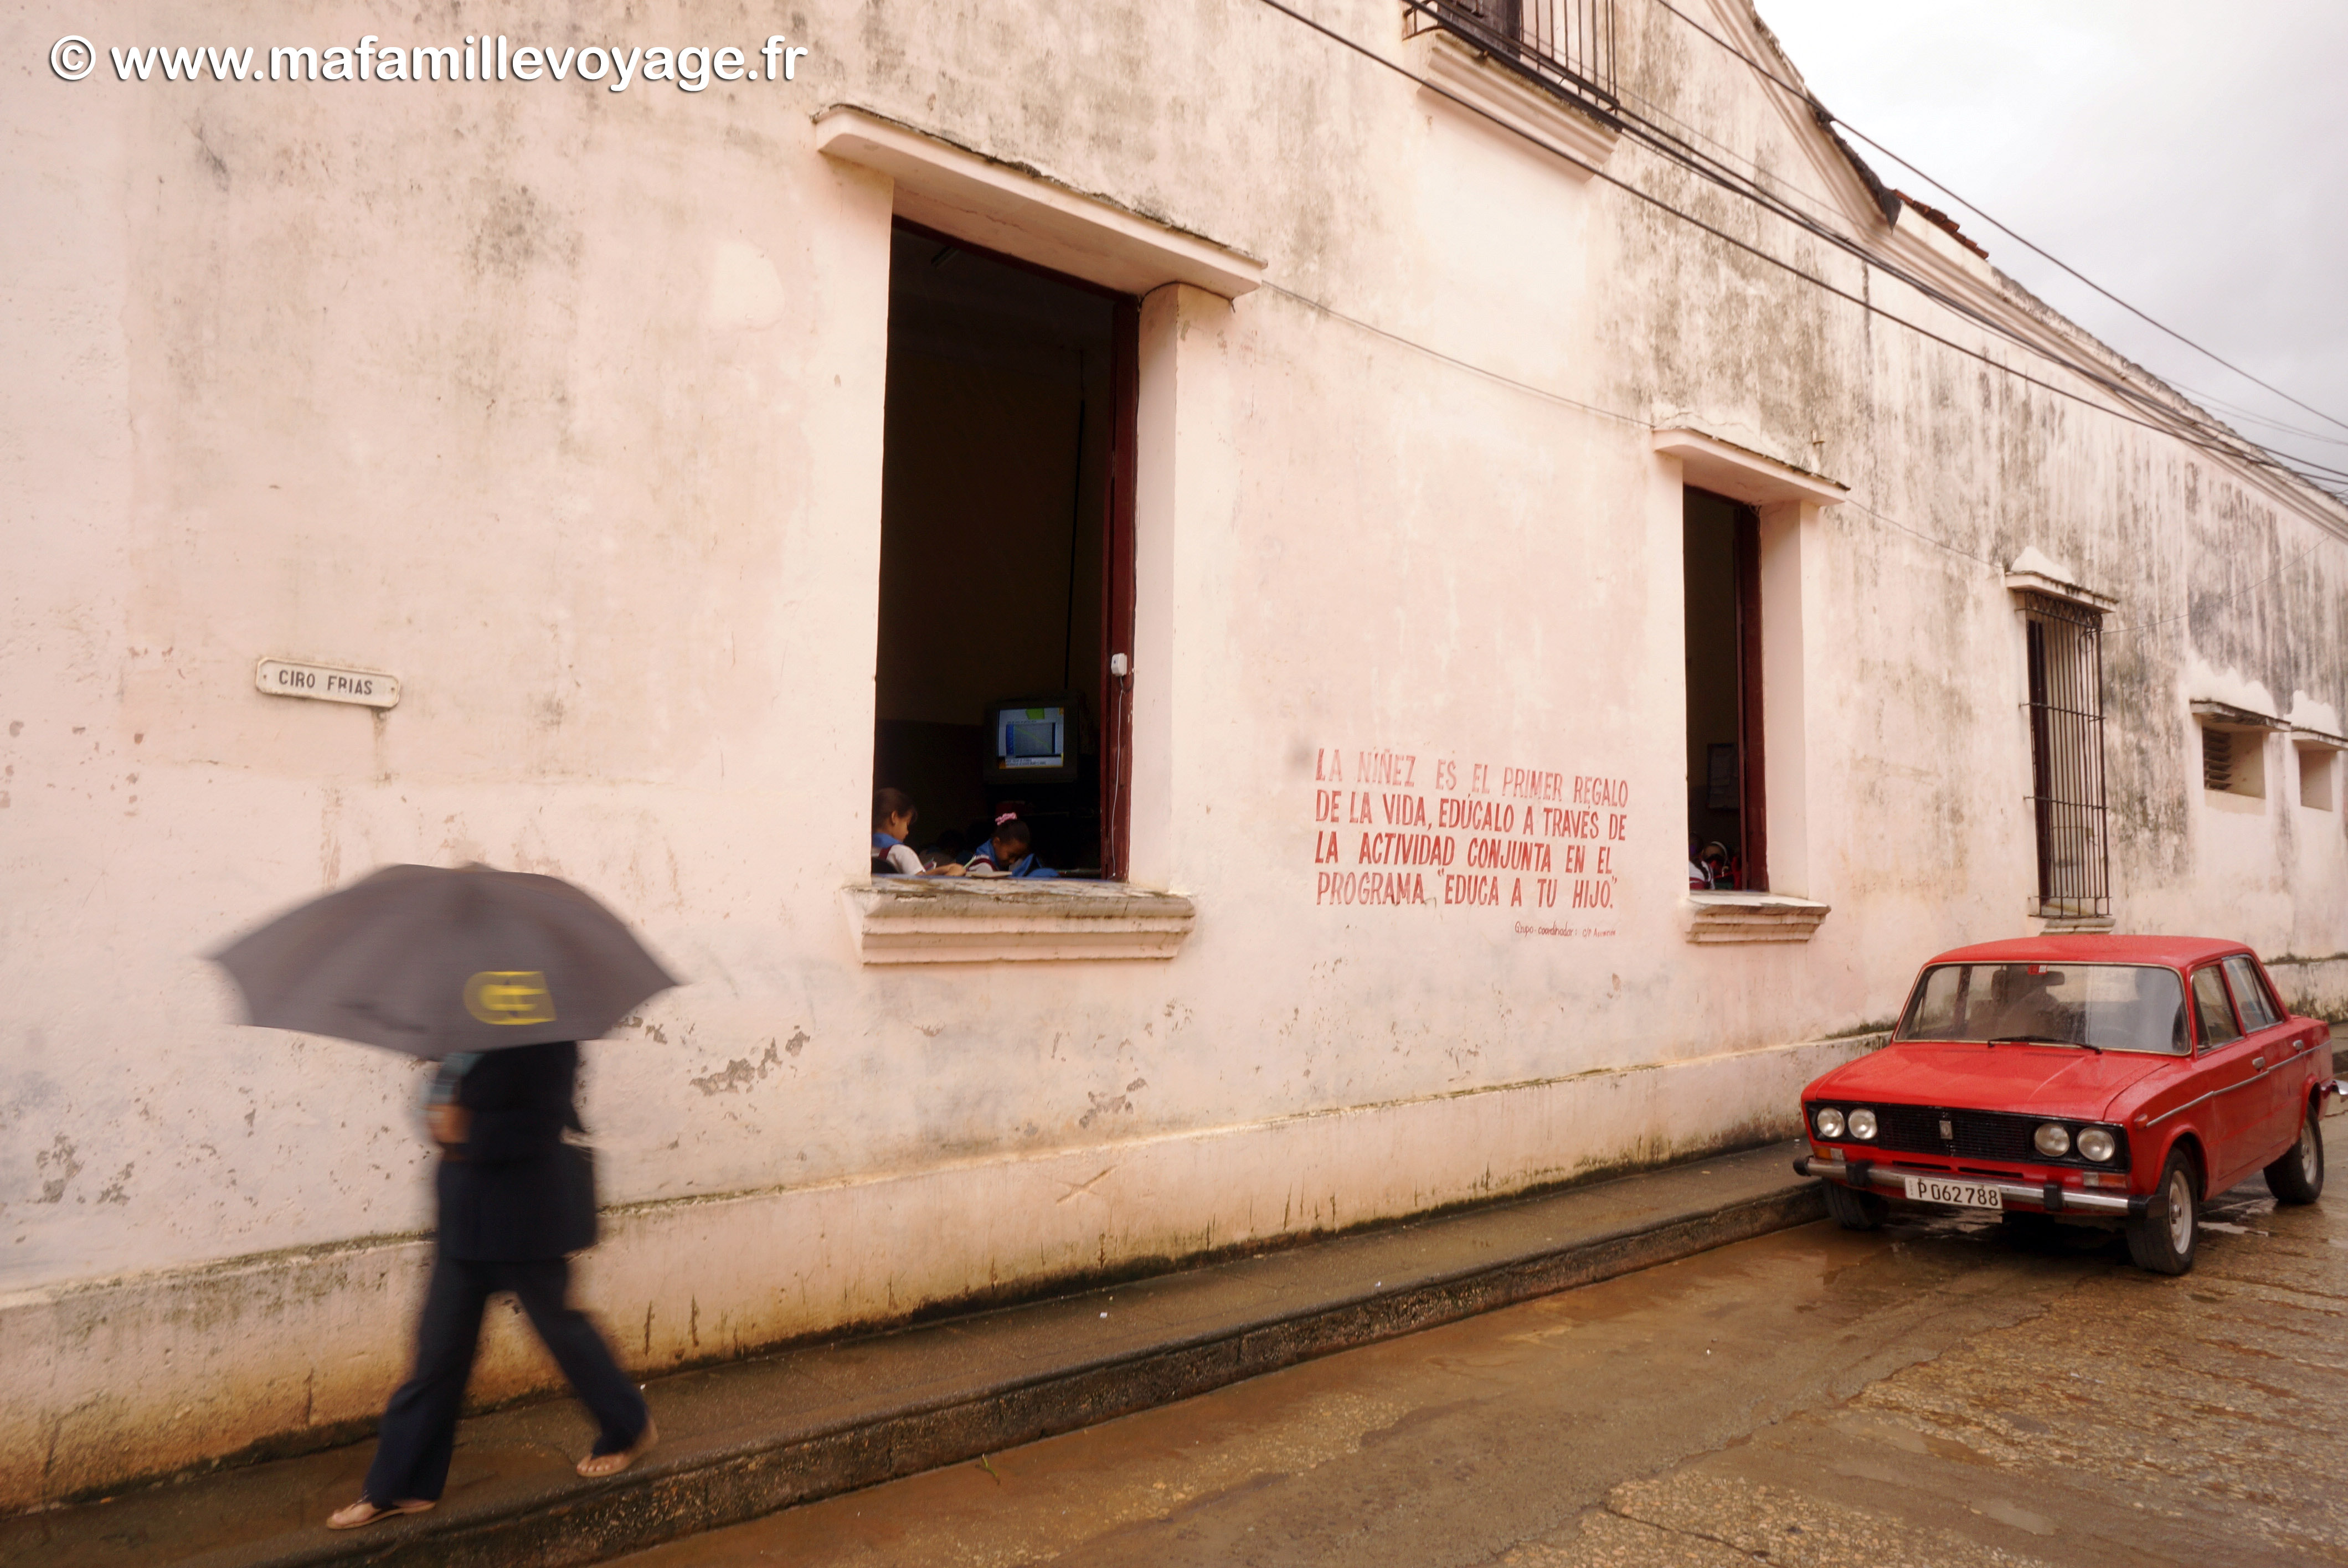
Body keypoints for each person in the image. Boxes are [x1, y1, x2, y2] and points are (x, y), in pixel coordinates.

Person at [327, 1040, 654, 1530]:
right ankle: (402, 1484)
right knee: (437, 1355)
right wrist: (436, 1115)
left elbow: (546, 1122)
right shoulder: (459, 1036)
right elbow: (441, 1111)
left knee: (563, 1334)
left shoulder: (546, 1033)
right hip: (464, 1220)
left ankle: (628, 1427)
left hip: (525, 1217)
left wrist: (470, 1129)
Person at [871, 787, 923, 875]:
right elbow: (922, 885)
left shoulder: (865, 851)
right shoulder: (902, 853)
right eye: (907, 824)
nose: (907, 832)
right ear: (894, 817)